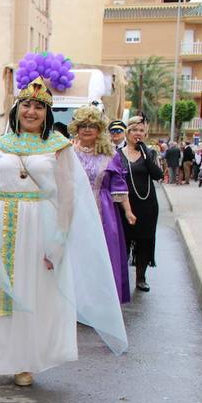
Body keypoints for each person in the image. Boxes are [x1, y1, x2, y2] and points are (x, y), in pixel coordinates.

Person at [0, 74, 127, 387]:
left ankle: (25, 361)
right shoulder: (0, 145)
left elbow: (67, 195)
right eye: (26, 104)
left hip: (40, 224)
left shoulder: (59, 146)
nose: (31, 111)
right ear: (16, 109)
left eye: (38, 107)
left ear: (47, 113)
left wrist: (59, 237)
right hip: (3, 221)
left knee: (33, 292)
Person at [69, 106, 134, 303]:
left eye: (92, 126)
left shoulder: (110, 154)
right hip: (74, 208)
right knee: (77, 255)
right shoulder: (68, 152)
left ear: (99, 129)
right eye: (83, 126)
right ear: (76, 128)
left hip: (102, 212)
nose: (87, 130)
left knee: (101, 255)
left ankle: (101, 302)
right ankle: (77, 300)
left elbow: (119, 186)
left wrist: (128, 211)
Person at [116, 116, 163, 291]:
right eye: (135, 130)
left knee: (145, 241)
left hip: (147, 205)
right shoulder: (117, 154)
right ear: (128, 132)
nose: (138, 134)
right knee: (124, 242)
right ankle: (121, 279)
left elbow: (158, 175)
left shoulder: (149, 153)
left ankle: (141, 278)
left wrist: (145, 153)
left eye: (142, 131)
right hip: (124, 205)